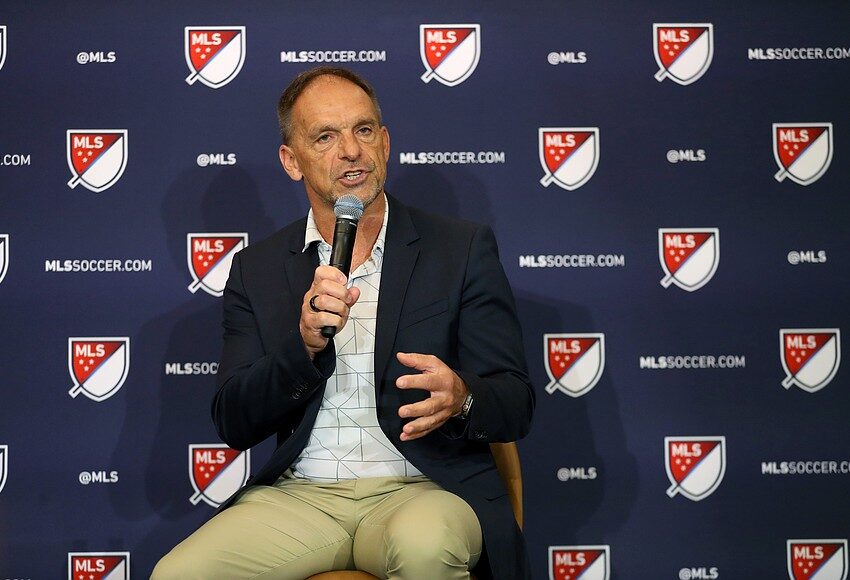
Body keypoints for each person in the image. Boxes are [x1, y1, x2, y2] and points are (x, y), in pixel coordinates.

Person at [153, 66, 534, 579]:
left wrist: (462, 396)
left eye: (364, 130)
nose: (351, 151)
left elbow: (515, 402)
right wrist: (303, 347)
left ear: (386, 142)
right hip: (302, 500)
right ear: (291, 161)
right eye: (325, 137)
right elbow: (234, 422)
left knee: (425, 547)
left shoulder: (459, 248)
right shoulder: (257, 269)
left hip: (422, 489)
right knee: (179, 574)